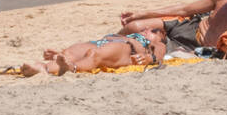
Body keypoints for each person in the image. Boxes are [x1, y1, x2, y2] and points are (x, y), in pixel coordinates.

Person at [20, 27, 167, 76]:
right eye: (145, 29)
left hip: (126, 48)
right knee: (68, 53)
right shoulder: (131, 34)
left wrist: (150, 59)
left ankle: (71, 67)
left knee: (94, 55)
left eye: (154, 30)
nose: (147, 30)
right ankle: (42, 67)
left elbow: (160, 54)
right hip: (102, 42)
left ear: (162, 35)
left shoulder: (157, 42)